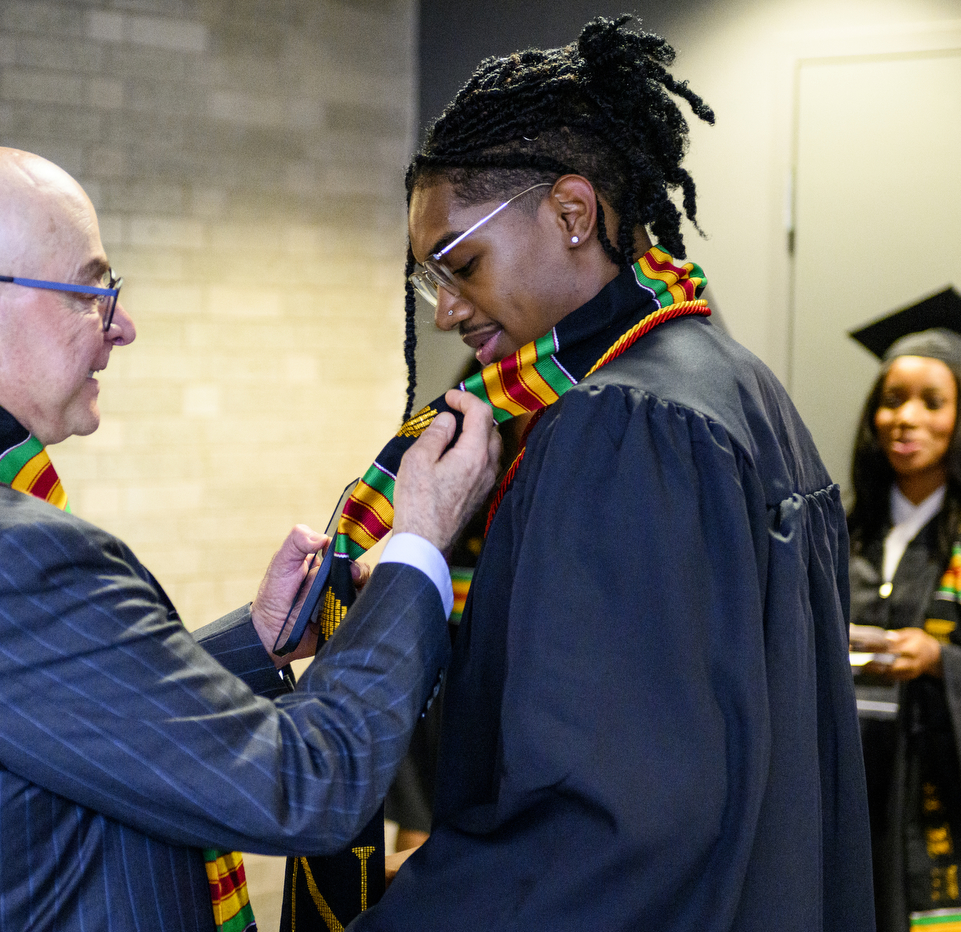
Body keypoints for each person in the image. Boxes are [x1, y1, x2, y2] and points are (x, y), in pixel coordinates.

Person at [0, 141, 499, 932]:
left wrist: (256, 640)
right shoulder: (11, 560)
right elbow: (306, 788)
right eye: (89, 293)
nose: (123, 326)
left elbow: (31, 710)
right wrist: (420, 542)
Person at [358, 16, 872, 930]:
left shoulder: (622, 425)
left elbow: (605, 820)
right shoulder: (736, 381)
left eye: (461, 264)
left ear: (571, 213)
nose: (444, 312)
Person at [847, 327, 961, 929]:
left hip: (933, 794)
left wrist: (941, 659)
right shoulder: (844, 532)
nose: (905, 419)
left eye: (932, 402)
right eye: (892, 400)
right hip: (853, 784)